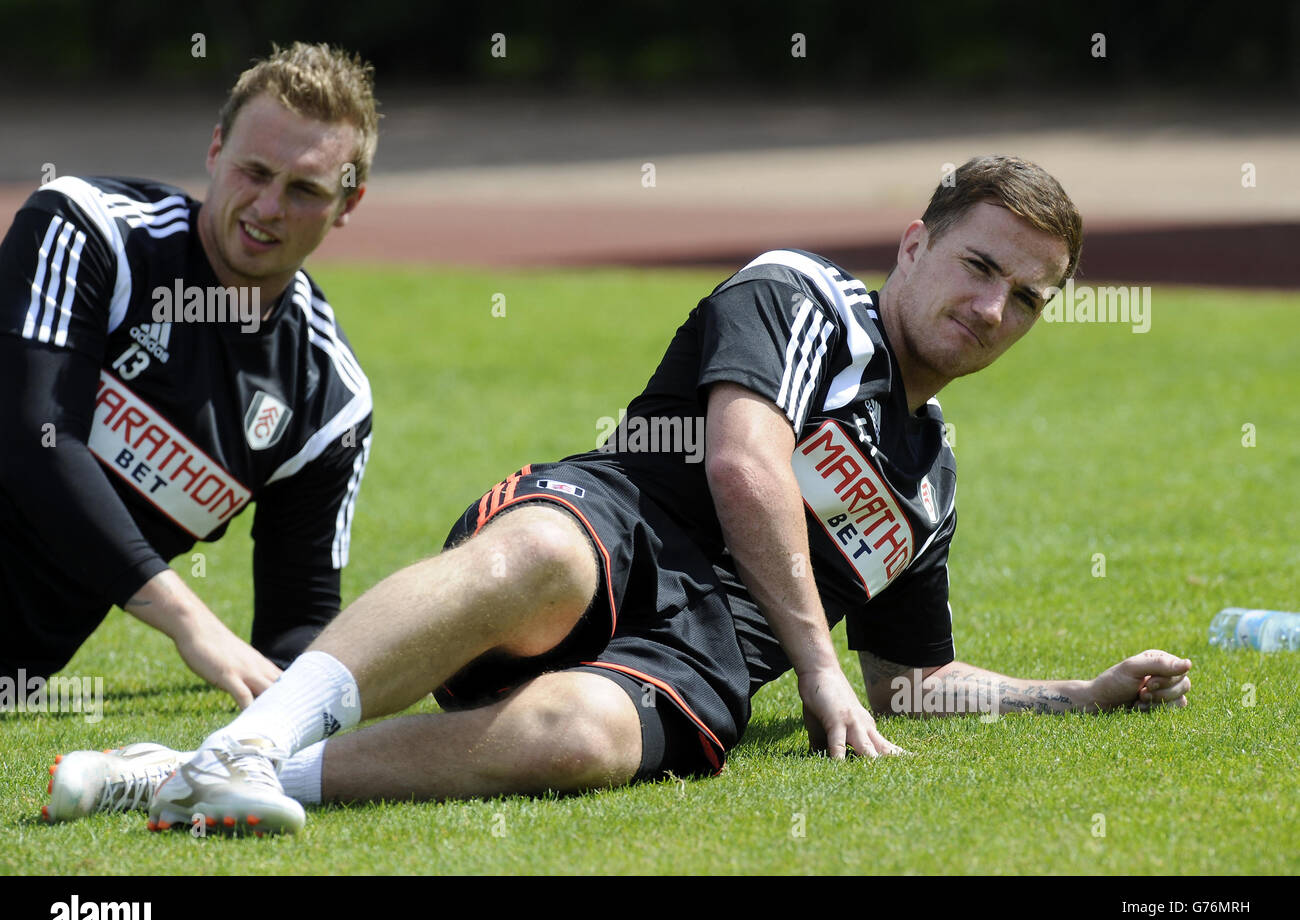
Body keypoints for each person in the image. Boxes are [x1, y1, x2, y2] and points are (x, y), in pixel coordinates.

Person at [44, 155, 1191, 833]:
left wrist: (1073, 695)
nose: (993, 307)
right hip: (618, 529)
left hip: (698, 658)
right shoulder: (808, 299)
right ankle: (258, 731)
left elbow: (915, 676)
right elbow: (745, 463)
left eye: (1028, 298)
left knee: (576, 736)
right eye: (979, 265)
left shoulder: (929, 476)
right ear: (913, 244)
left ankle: (202, 771)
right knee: (537, 561)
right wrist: (821, 669)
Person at [0, 42, 379, 707]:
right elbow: (33, 435)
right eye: (254, 171)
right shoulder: (92, 231)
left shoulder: (327, 399)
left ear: (348, 205)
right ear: (214, 151)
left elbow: (296, 625)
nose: (268, 207)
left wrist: (274, 724)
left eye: (305, 190)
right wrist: (189, 621)